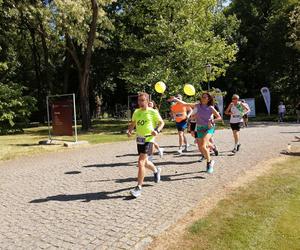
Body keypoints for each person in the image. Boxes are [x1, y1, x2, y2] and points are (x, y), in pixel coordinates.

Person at [170, 93, 222, 173]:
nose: (203, 98)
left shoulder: (210, 107)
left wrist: (212, 120)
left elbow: (219, 117)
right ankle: (211, 157)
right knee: (201, 146)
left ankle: (209, 163)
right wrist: (175, 99)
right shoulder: (197, 105)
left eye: (205, 97)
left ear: (208, 99)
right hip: (200, 128)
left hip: (209, 128)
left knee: (204, 145)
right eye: (202, 97)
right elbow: (184, 103)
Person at [127, 92, 165, 198]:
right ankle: (156, 170)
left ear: (147, 101)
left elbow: (162, 123)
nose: (140, 102)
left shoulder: (153, 112)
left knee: (141, 162)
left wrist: (156, 130)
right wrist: (129, 131)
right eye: (139, 100)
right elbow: (133, 123)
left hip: (149, 138)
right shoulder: (136, 112)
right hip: (140, 139)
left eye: (143, 100)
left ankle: (138, 187)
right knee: (146, 162)